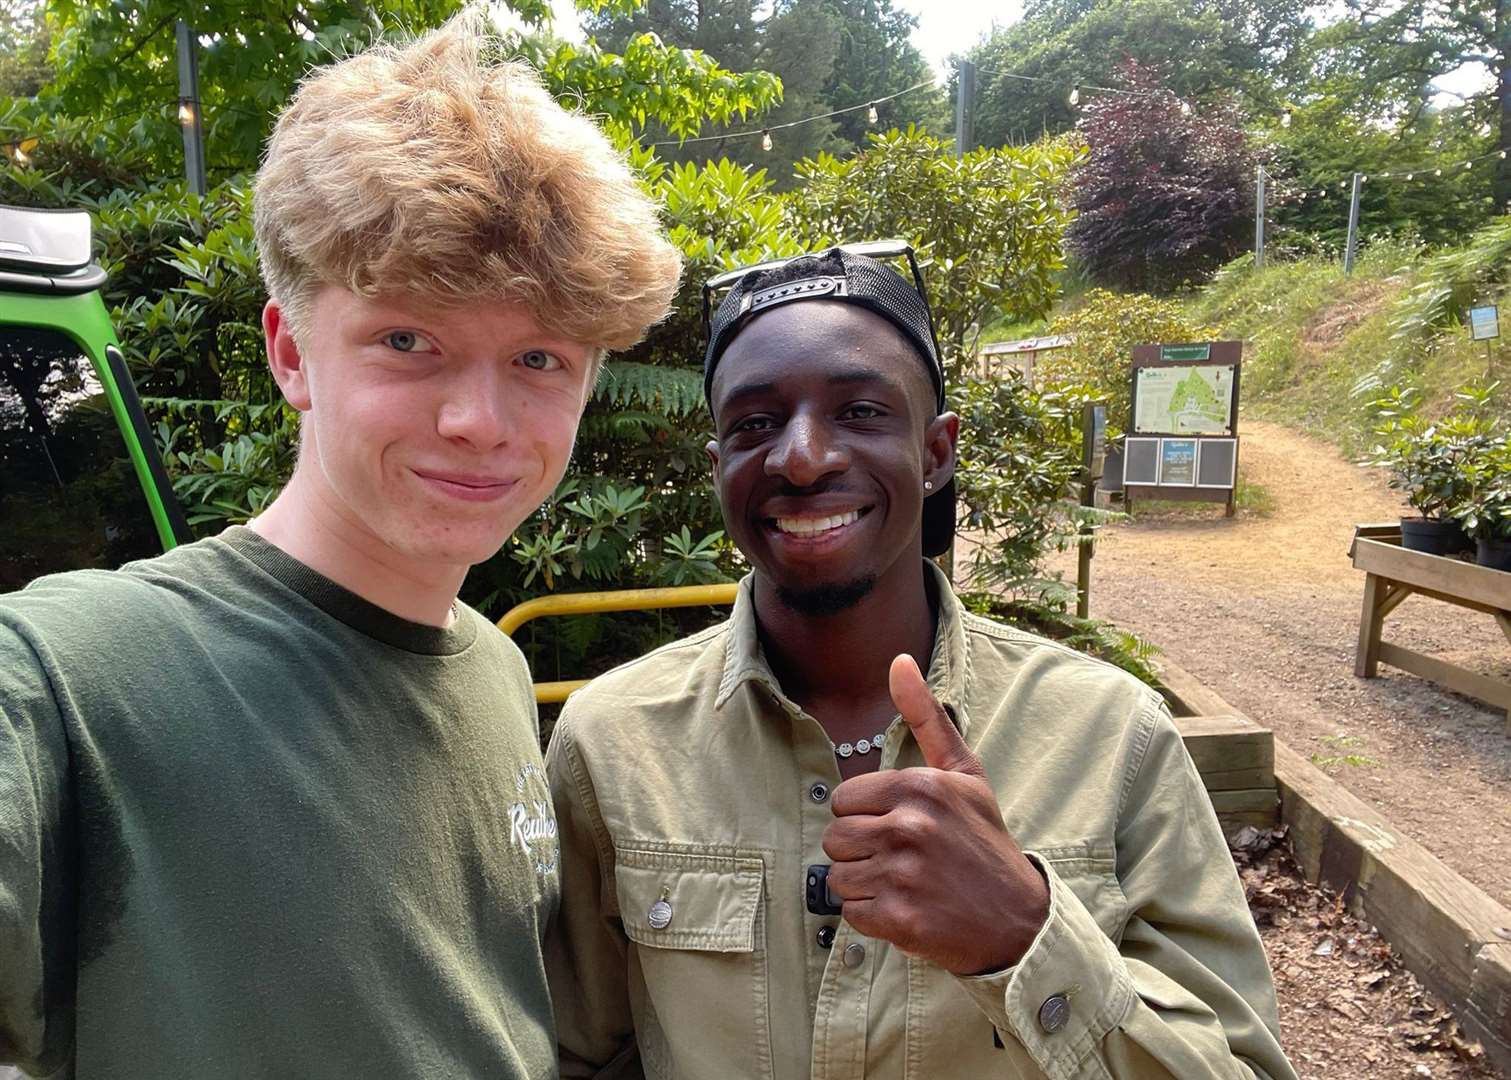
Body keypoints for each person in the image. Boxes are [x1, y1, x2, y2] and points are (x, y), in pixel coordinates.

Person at [0, 14, 680, 1078]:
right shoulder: (64, 678)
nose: (480, 420)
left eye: (540, 358)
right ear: (291, 354)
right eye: (409, 341)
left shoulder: (495, 669)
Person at [545, 245, 1297, 1079]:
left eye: (861, 411)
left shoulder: (1110, 736)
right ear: (719, 467)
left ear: (935, 453)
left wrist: (1023, 938)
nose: (801, 457)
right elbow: (579, 1054)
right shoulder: (610, 743)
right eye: (754, 424)